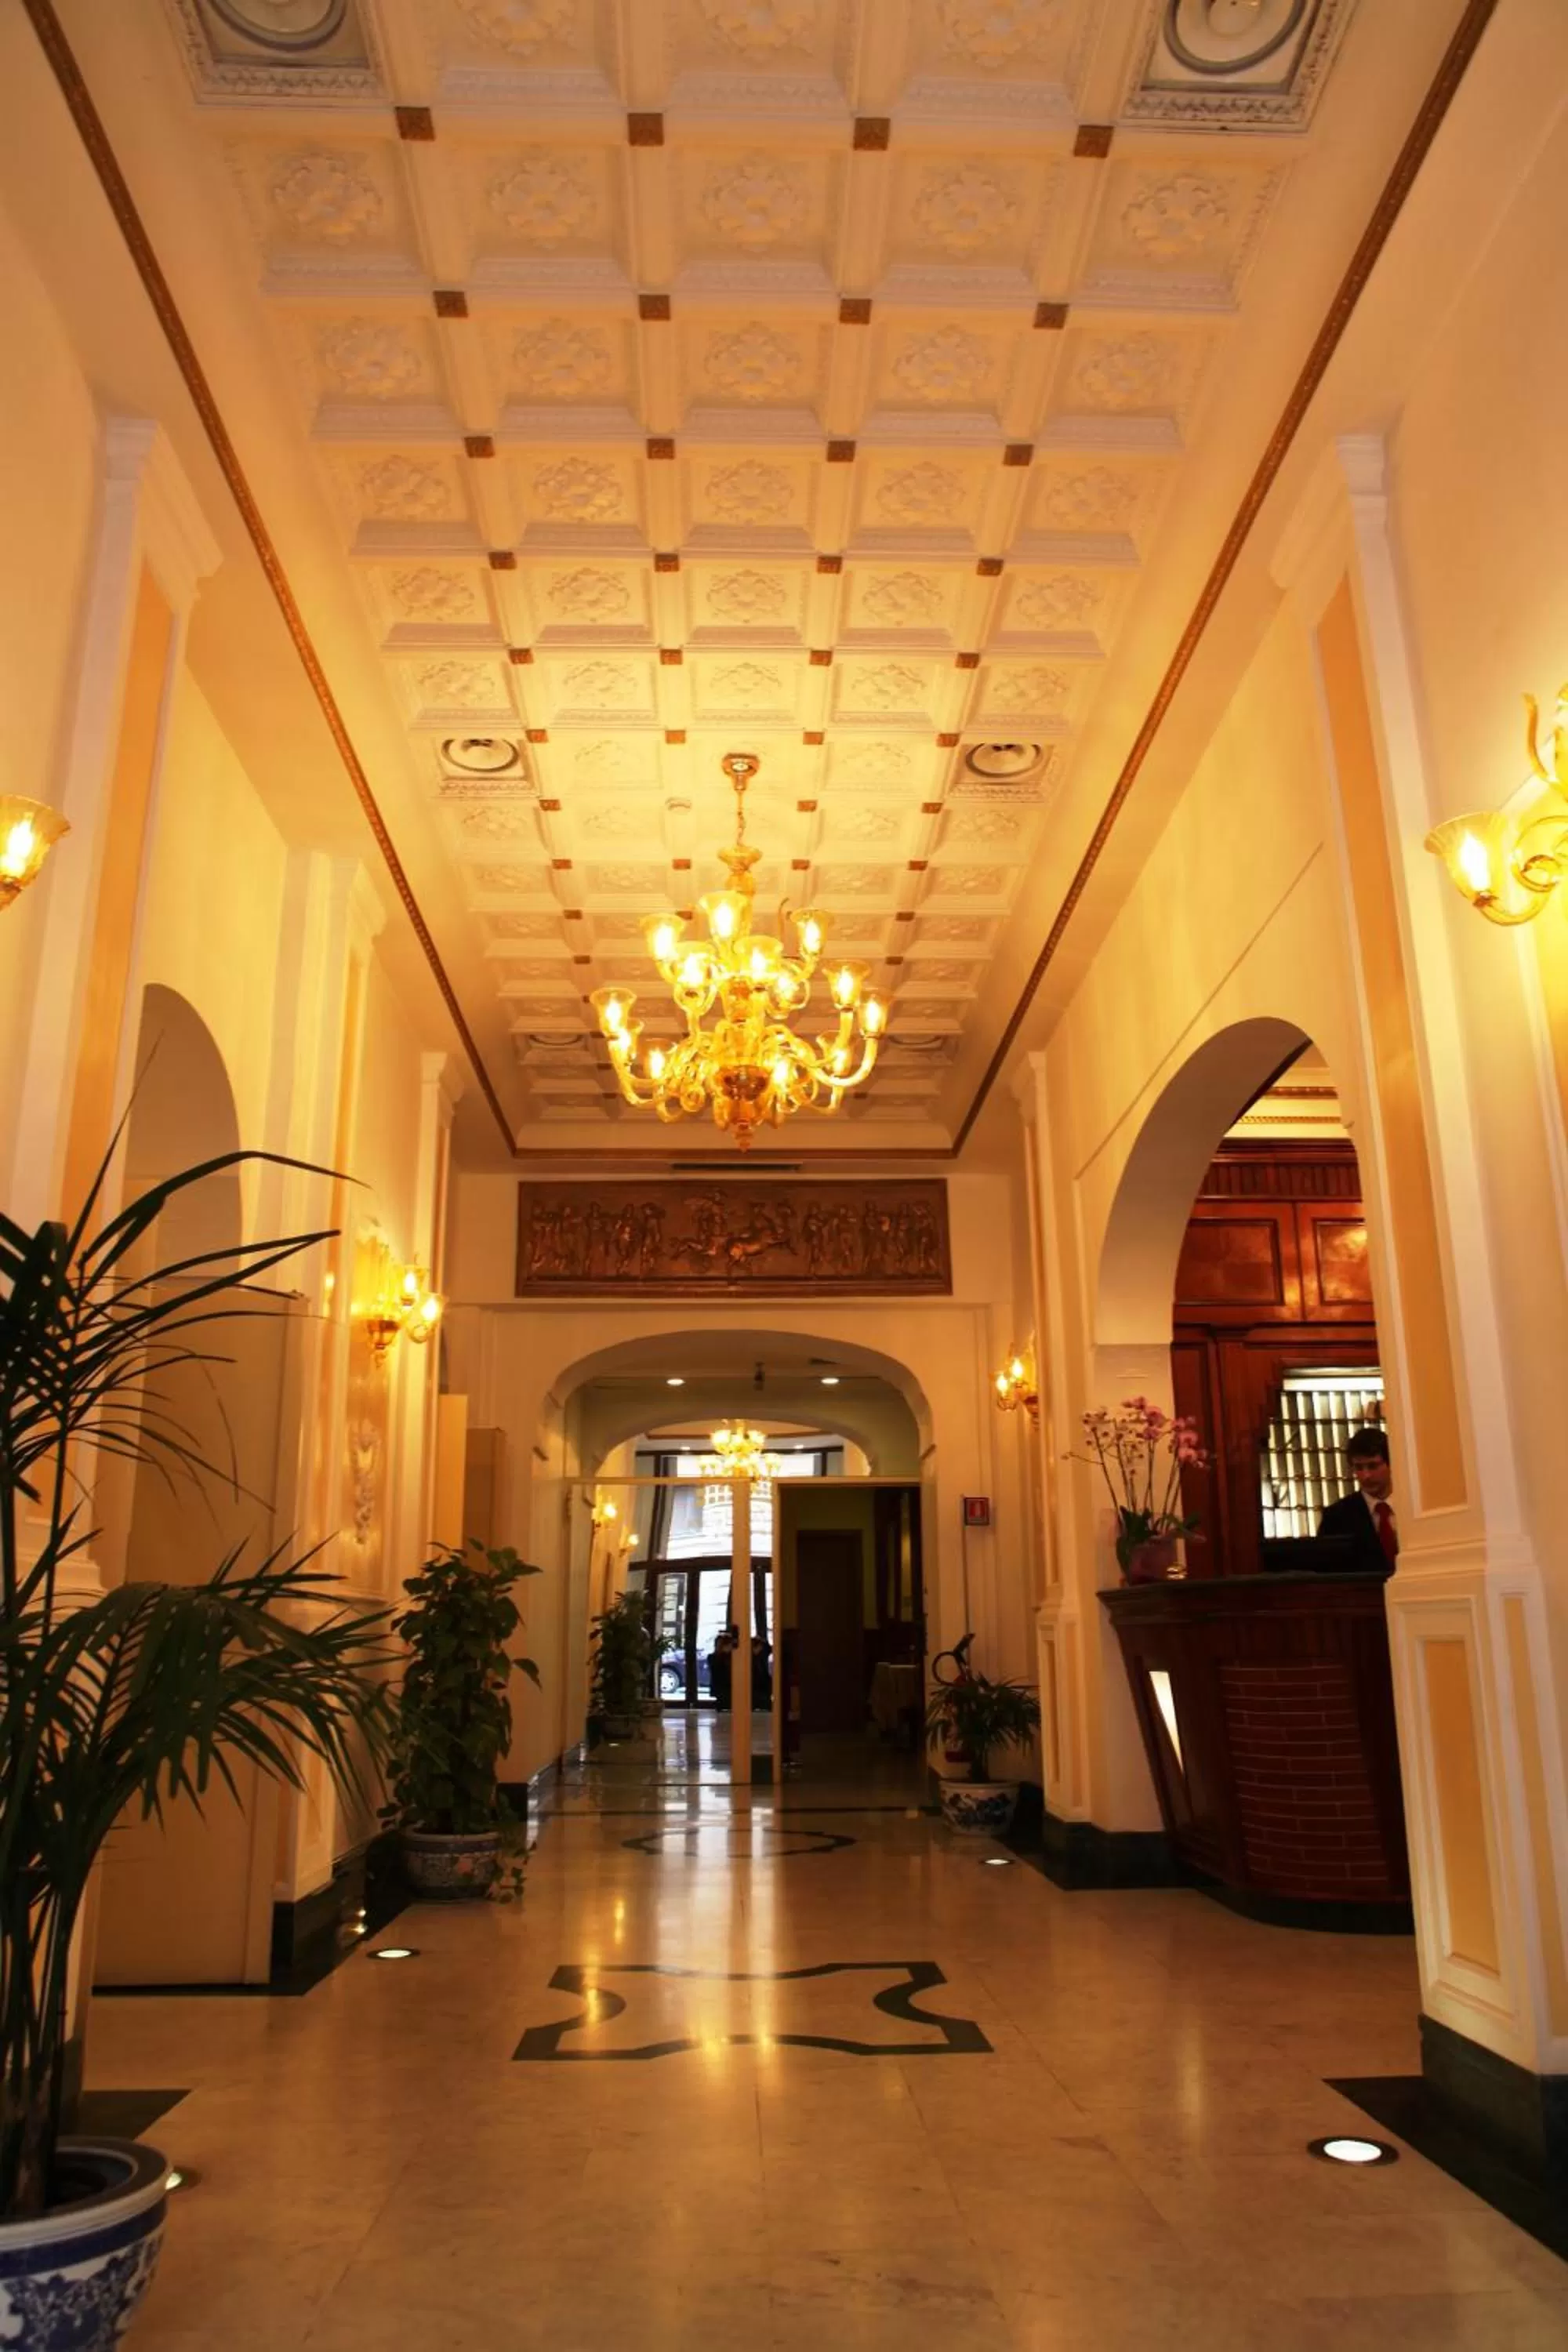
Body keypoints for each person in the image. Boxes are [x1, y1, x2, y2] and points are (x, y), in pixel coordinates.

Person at [1317, 1427, 1399, 1572]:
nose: (1366, 1475)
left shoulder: (1414, 1509)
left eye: (1373, 1466)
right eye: (1359, 1467)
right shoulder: (1336, 1517)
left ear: (1391, 1463)